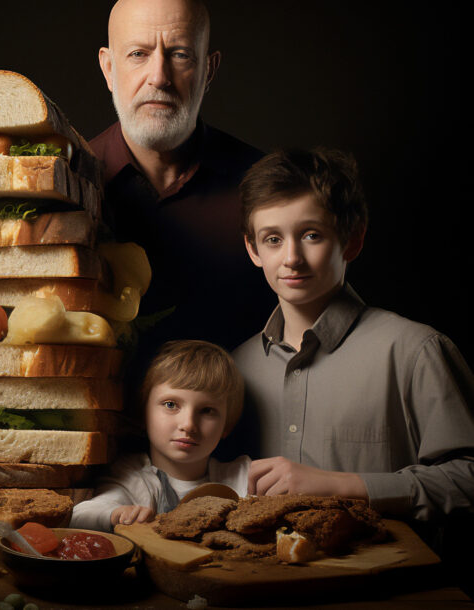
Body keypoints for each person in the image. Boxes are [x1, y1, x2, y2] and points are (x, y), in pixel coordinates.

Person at [233, 148, 474, 525]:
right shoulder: (236, 367)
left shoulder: (416, 352)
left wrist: (342, 486)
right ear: (253, 249)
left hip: (389, 581)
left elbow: (468, 479)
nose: (291, 257)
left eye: (311, 235)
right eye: (273, 239)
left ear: (352, 241)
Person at [91, 0, 274, 355]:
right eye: (138, 54)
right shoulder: (63, 187)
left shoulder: (269, 187)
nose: (159, 76)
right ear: (109, 69)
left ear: (209, 69)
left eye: (179, 55)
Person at [70, 340, 249, 532]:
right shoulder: (133, 479)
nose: (188, 424)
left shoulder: (242, 477)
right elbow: (82, 515)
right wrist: (116, 514)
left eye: (207, 410)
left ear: (226, 425)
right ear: (144, 413)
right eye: (171, 404)